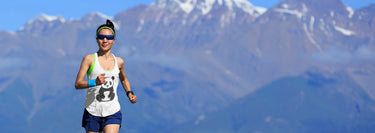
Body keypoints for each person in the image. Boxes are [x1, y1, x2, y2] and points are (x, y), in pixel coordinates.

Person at [75, 19, 137, 133]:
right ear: (97, 39)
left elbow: (124, 80)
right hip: (92, 111)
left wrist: (129, 93)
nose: (105, 40)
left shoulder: (119, 62)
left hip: (112, 112)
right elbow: (78, 84)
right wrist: (94, 82)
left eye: (108, 38)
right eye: (101, 37)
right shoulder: (89, 59)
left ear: (113, 40)